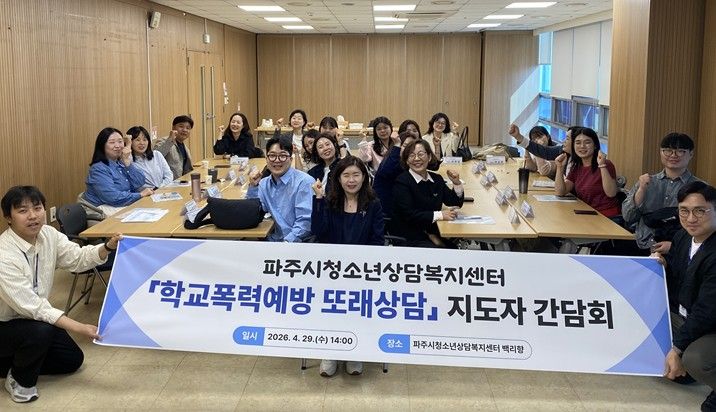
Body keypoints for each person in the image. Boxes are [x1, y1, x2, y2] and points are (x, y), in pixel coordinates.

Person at [0, 186, 121, 403]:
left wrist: (108, 247)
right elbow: (34, 306)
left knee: (71, 360)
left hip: (30, 320)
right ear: (9, 218)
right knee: (41, 331)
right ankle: (19, 380)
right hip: (6, 323)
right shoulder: (4, 255)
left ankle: (8, 361)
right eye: (23, 211)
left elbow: (78, 258)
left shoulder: (48, 234)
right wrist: (81, 327)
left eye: (37, 208)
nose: (33, 216)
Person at [311, 156, 384, 376]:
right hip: (332, 268)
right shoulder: (330, 201)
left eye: (356, 175)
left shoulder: (373, 204)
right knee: (331, 307)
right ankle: (330, 351)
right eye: (346, 175)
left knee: (357, 308)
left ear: (364, 177)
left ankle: (354, 351)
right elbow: (318, 232)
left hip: (362, 269)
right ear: (338, 178)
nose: (351, 180)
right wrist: (318, 199)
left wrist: (364, 266)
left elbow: (377, 240)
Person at [652, 181, 716, 412]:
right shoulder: (683, 238)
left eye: (700, 211)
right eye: (684, 211)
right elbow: (682, 279)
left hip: (710, 324)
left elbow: (707, 311)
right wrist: (662, 265)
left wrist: (678, 348)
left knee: (696, 359)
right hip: (686, 316)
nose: (691, 218)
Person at [622, 133, 700, 254]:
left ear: (691, 154)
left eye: (680, 151)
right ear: (660, 152)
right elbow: (628, 217)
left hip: (681, 252)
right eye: (667, 151)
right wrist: (641, 190)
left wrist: (676, 246)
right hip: (642, 246)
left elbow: (704, 226)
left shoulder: (700, 187)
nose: (673, 155)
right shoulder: (646, 182)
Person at [391, 140, 464, 247]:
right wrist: (440, 215)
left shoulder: (436, 179)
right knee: (445, 251)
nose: (416, 159)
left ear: (429, 157)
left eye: (421, 154)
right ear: (406, 161)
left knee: (454, 250)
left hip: (432, 231)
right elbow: (409, 215)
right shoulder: (402, 182)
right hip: (409, 236)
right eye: (411, 155)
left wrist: (456, 183)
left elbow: (455, 202)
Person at [247, 137, 313, 242]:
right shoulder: (264, 184)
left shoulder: (304, 182)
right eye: (272, 156)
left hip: (298, 243)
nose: (277, 160)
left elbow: (305, 223)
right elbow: (253, 213)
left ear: (290, 159)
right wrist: (253, 187)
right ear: (266, 159)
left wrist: (285, 244)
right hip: (275, 240)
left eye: (282, 156)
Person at [554, 127, 620, 219]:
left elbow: (611, 193)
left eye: (587, 142)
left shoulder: (606, 164)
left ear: (595, 145)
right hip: (587, 214)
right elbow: (560, 192)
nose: (582, 146)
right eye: (578, 143)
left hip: (608, 217)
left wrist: (602, 165)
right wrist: (559, 167)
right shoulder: (577, 166)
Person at [84, 127, 153, 214]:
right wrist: (140, 195)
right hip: (104, 208)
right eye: (112, 142)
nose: (117, 146)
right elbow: (112, 197)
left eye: (120, 142)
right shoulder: (98, 168)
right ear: (102, 146)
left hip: (122, 204)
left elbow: (140, 182)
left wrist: (127, 163)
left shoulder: (120, 163)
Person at [373, 131, 415, 219]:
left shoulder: (407, 163)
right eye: (405, 146)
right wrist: (397, 144)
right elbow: (387, 171)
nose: (408, 150)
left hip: (400, 211)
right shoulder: (392, 161)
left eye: (412, 147)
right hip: (386, 215)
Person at [509, 124, 579, 162]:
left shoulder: (561, 152)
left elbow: (544, 169)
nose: (564, 141)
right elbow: (531, 167)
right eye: (534, 139)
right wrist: (518, 136)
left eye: (567, 139)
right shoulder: (562, 150)